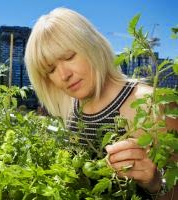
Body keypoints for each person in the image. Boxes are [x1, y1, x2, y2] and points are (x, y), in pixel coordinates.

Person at [24, 7, 178, 199]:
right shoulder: (72, 106)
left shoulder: (148, 105)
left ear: (91, 45)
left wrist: (155, 183)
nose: (64, 75)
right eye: (51, 69)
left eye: (69, 56)